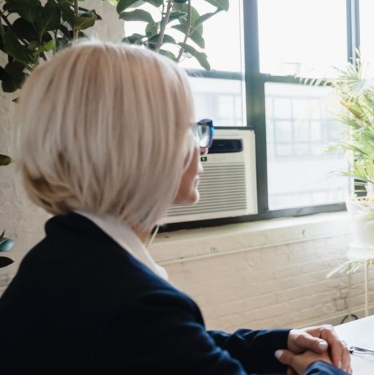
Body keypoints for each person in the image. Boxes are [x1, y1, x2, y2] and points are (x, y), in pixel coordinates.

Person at [0, 41, 352, 375]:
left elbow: (171, 352)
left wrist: (279, 345)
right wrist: (325, 369)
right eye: (193, 129)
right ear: (143, 146)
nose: (203, 148)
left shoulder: (61, 259)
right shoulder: (138, 307)